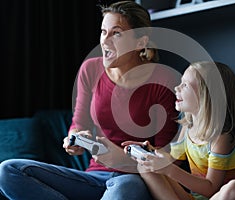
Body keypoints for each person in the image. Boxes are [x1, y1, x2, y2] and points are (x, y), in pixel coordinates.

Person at [0, 1, 180, 199]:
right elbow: (79, 123)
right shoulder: (90, 69)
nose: (105, 41)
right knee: (8, 171)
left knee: (123, 190)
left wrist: (122, 159)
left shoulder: (163, 80)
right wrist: (75, 138)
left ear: (140, 42)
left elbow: (168, 158)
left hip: (134, 179)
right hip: (93, 177)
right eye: (104, 32)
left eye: (116, 33)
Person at [123, 61, 235, 200]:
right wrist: (150, 152)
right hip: (192, 198)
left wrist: (169, 170)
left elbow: (211, 188)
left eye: (185, 85)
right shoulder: (187, 128)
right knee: (145, 167)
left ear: (207, 96)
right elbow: (172, 162)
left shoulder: (220, 138)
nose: (176, 88)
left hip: (217, 197)